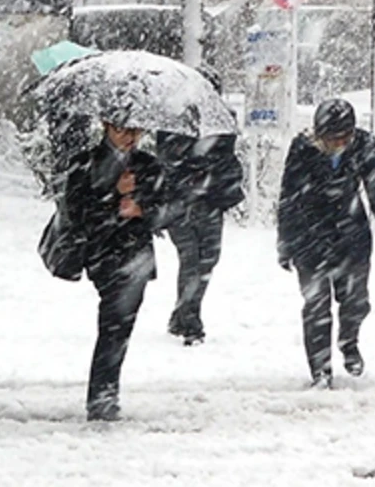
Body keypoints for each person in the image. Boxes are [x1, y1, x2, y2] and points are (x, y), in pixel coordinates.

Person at [277, 98, 375, 389]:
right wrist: (285, 242)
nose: (336, 143)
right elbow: (288, 196)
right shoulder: (302, 148)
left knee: (356, 301)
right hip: (310, 235)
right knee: (316, 305)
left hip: (351, 233)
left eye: (342, 138)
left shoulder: (365, 146)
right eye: (330, 138)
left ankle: (349, 340)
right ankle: (320, 370)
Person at [62, 116, 166, 421]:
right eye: (122, 129)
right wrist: (113, 191)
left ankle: (104, 393)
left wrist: (141, 207)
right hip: (102, 254)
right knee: (113, 325)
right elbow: (76, 210)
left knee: (119, 327)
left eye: (137, 129)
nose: (130, 136)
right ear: (106, 127)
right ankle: (102, 396)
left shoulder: (149, 165)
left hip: (136, 256)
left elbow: (168, 209)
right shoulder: (85, 163)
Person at [158, 130, 244, 346]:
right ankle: (190, 322)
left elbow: (229, 163)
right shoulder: (173, 126)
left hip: (210, 204)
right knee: (191, 260)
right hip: (180, 205)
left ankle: (181, 315)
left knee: (207, 260)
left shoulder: (220, 128)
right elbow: (166, 165)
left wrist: (214, 175)